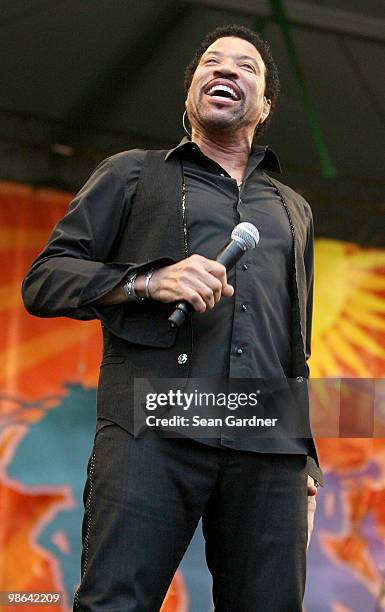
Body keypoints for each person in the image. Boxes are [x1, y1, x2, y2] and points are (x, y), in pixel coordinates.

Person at [22, 24, 323, 612]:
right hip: (153, 423)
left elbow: (296, 342)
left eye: (246, 67)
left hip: (269, 442)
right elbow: (46, 279)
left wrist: (306, 458)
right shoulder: (132, 172)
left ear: (264, 106)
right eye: (211, 62)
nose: (226, 70)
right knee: (116, 602)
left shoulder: (294, 210)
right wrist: (147, 279)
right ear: (190, 92)